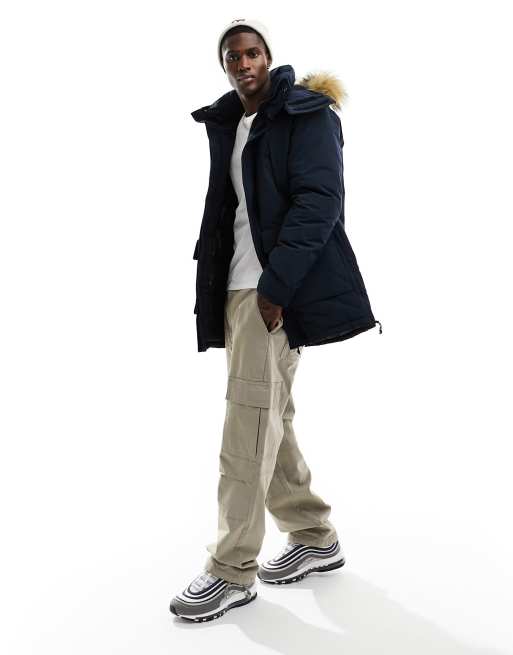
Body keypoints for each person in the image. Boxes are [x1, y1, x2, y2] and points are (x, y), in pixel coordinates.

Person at [170, 18, 382, 623]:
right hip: (239, 290)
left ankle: (231, 571)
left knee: (247, 428)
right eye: (232, 56)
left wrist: (276, 287)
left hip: (272, 295)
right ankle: (313, 536)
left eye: (252, 52)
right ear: (225, 66)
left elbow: (320, 203)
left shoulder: (305, 115)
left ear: (268, 57)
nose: (243, 63)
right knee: (268, 416)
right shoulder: (233, 123)